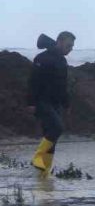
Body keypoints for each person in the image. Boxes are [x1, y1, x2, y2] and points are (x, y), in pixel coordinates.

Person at [27, 32, 75, 176]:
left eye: (72, 46)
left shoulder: (62, 61)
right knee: (57, 128)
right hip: (42, 101)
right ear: (59, 42)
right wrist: (30, 103)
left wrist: (66, 104)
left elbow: (62, 85)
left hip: (56, 103)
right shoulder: (42, 58)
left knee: (51, 138)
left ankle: (44, 172)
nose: (71, 49)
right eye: (69, 45)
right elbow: (33, 82)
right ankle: (37, 156)